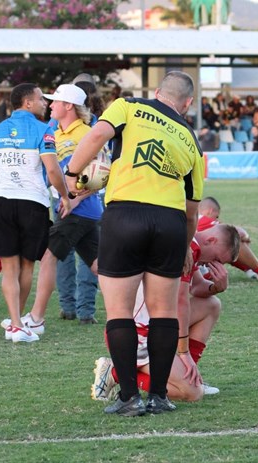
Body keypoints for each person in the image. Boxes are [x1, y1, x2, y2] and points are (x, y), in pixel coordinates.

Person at [64, 71, 204, 416]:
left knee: (120, 312)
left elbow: (98, 133)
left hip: (125, 214)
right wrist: (185, 245)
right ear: (188, 103)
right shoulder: (191, 139)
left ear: (156, 92)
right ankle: (159, 397)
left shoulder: (128, 106)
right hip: (170, 223)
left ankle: (128, 397)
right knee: (163, 314)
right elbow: (192, 210)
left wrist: (71, 174)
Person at [92, 223, 240, 404]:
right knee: (193, 393)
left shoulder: (190, 243)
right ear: (211, 240)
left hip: (148, 323)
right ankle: (116, 373)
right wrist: (183, 352)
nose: (213, 264)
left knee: (211, 305)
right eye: (217, 258)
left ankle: (188, 375)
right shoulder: (188, 247)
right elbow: (180, 301)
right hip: (138, 333)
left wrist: (216, 287)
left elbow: (198, 286)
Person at [0, 82, 71, 343]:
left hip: (0, 200)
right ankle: (17, 322)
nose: (46, 103)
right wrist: (66, 196)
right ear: (27, 103)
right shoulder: (43, 130)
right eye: (41, 99)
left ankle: (14, 323)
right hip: (31, 203)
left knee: (9, 267)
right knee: (26, 266)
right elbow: (54, 170)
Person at [20, 83, 104, 336]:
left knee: (49, 257)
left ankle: (35, 318)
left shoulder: (86, 133)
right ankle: (135, 307)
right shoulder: (54, 132)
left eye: (55, 101)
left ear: (69, 106)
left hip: (79, 210)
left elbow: (102, 173)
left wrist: (75, 199)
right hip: (77, 210)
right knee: (101, 266)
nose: (50, 105)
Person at [198, 197, 258, 281]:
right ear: (210, 211)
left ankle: (249, 270)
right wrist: (246, 237)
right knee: (230, 241)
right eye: (217, 216)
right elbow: (238, 232)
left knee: (225, 245)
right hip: (194, 270)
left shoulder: (194, 219)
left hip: (192, 266)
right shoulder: (202, 219)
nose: (217, 219)